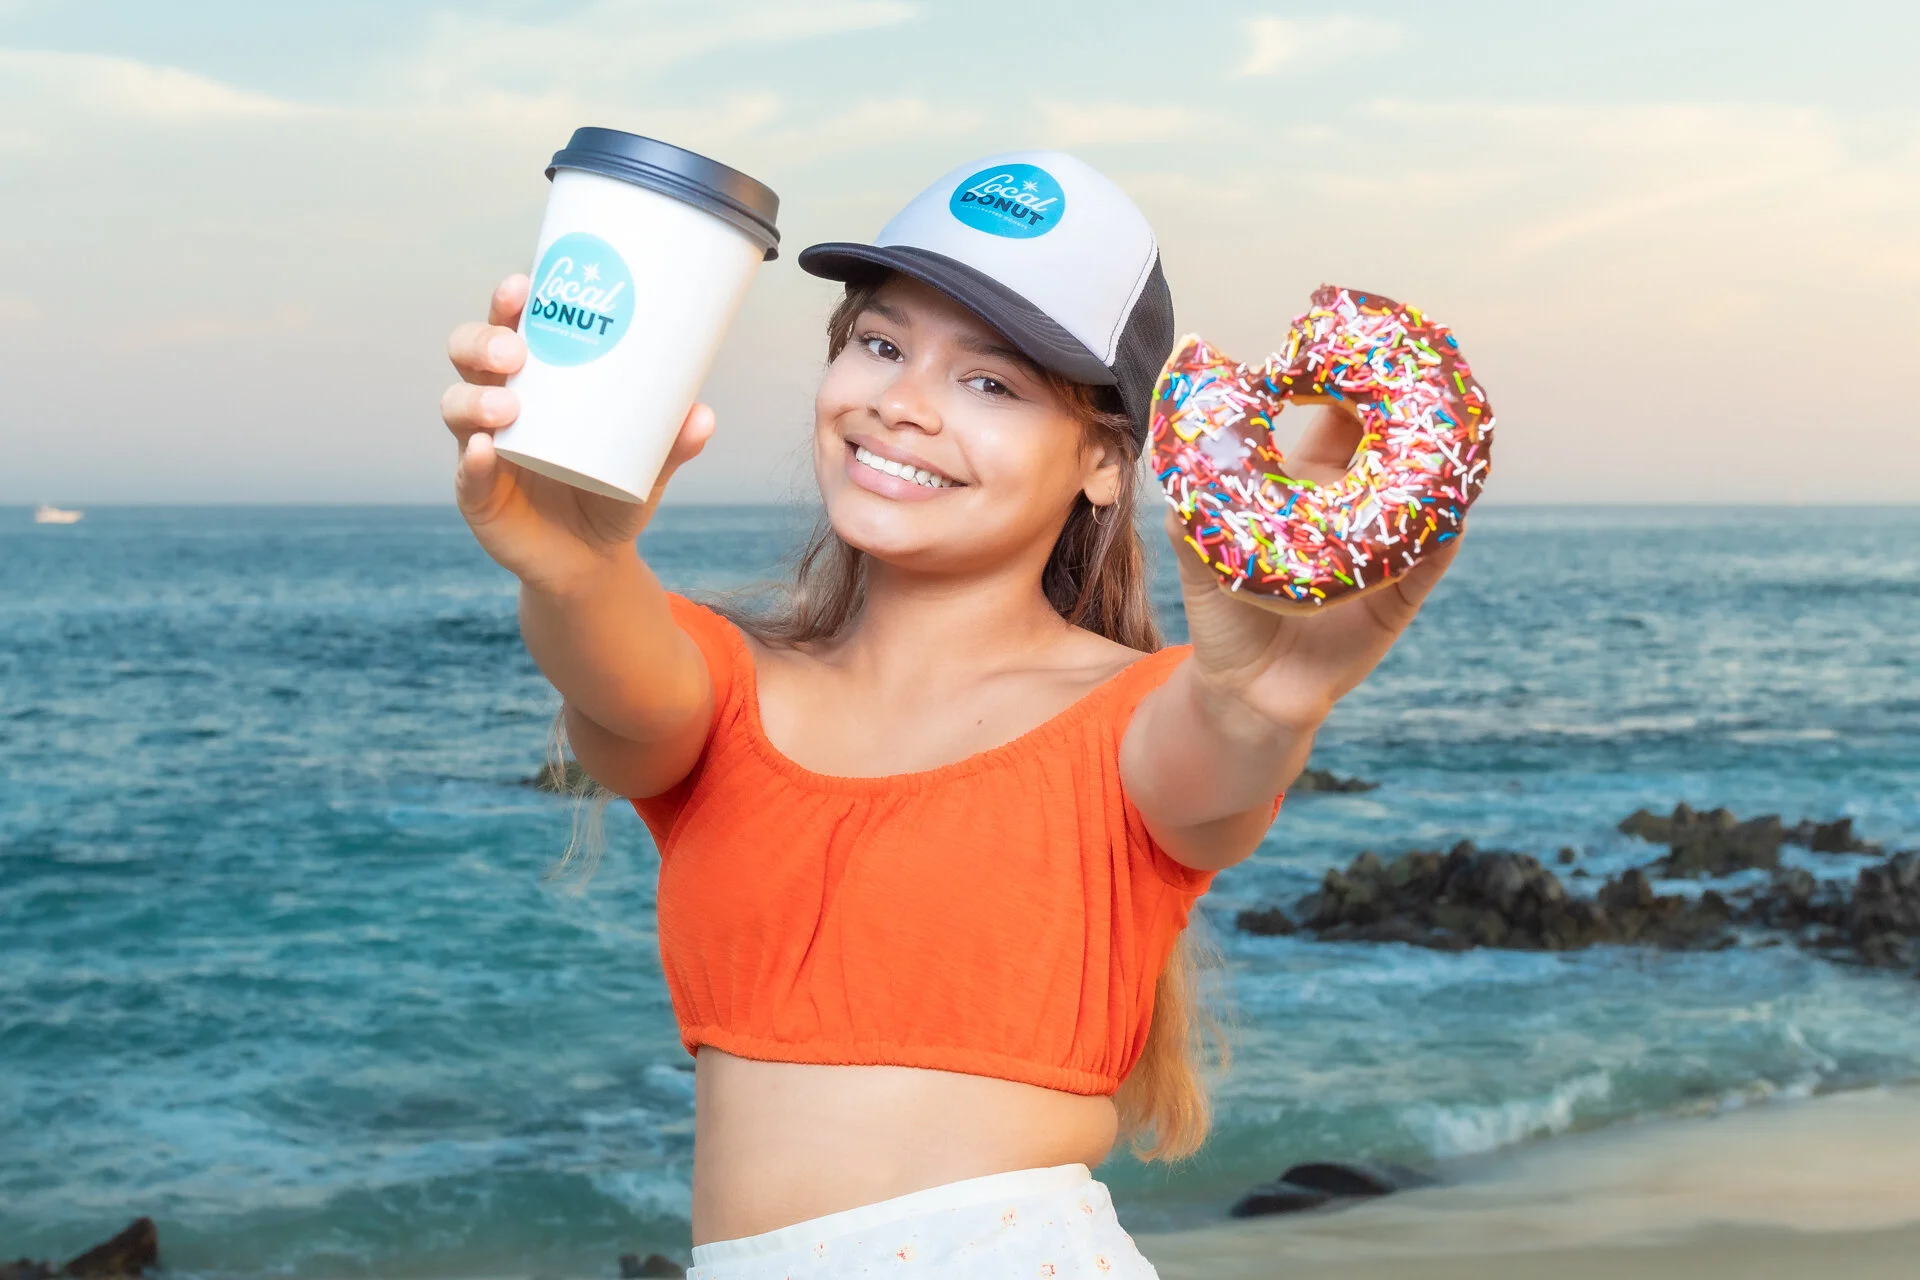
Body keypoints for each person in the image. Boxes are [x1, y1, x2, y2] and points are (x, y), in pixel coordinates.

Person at [440, 150, 1459, 1278]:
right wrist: (575, 564)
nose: (901, 403)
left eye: (991, 383)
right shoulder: (730, 691)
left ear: (1107, 465)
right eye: (880, 344)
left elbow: (1218, 757)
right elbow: (619, 668)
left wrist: (1263, 701)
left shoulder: (1130, 722)